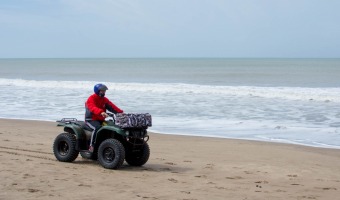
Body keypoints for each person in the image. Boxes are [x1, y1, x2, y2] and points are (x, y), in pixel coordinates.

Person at [85, 83, 123, 152]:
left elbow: (112, 107)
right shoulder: (91, 98)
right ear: (97, 91)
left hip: (101, 120)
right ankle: (92, 146)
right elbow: (93, 108)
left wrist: (121, 112)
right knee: (97, 128)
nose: (104, 92)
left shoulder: (104, 100)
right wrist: (101, 112)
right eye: (102, 91)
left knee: (112, 126)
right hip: (91, 120)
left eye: (104, 91)